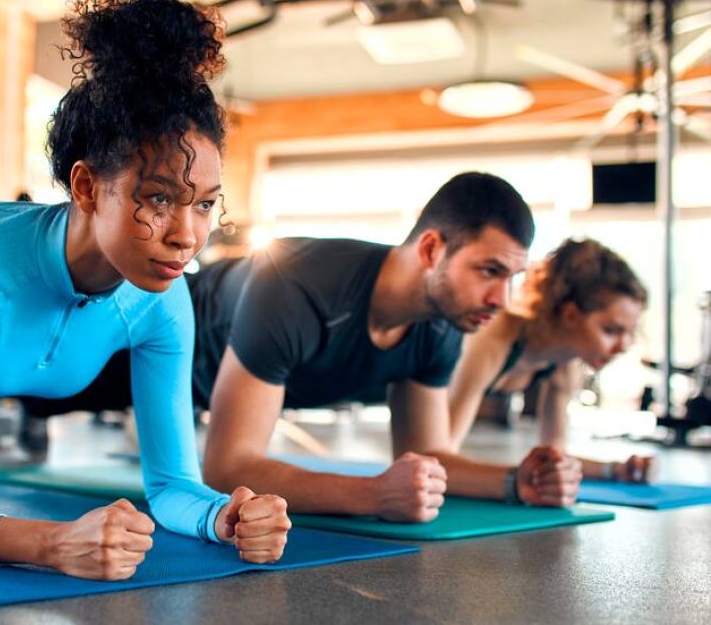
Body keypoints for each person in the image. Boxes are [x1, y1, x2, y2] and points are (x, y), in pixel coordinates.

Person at [0, 0, 290, 580]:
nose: (187, 235)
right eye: (157, 197)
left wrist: (224, 516)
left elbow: (175, 485)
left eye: (204, 204)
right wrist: (51, 544)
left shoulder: (162, 303)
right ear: (84, 187)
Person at [27, 171, 537, 522]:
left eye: (512, 277)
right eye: (489, 272)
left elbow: (426, 455)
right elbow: (227, 467)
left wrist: (520, 481)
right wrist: (372, 494)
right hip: (130, 338)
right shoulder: (299, 284)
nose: (501, 299)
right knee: (12, 382)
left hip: (194, 388)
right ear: (431, 249)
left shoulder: (442, 325)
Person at [433, 238, 654, 505]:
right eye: (611, 331)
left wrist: (617, 469)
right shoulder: (491, 341)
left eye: (629, 333)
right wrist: (518, 482)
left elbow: (556, 456)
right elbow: (438, 460)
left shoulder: (564, 363)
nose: (623, 346)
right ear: (571, 315)